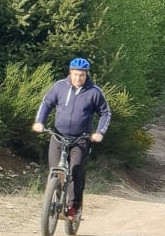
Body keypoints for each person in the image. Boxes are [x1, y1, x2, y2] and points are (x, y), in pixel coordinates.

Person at [31, 57, 111, 219]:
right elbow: (46, 103)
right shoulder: (59, 86)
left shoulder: (94, 92)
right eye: (75, 74)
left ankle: (73, 207)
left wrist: (99, 132)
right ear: (70, 72)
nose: (78, 78)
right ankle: (54, 199)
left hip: (80, 139)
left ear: (86, 75)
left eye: (81, 75)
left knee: (76, 170)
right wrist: (39, 122)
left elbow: (105, 113)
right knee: (54, 169)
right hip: (58, 136)